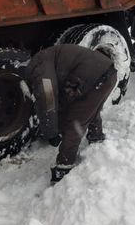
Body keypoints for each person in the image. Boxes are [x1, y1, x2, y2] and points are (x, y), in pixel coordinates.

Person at [25, 44, 117, 183]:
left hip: (96, 76)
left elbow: (48, 102)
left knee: (75, 121)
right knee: (90, 107)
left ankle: (64, 166)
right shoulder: (44, 60)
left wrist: (51, 133)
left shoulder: (40, 72)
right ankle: (96, 135)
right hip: (107, 72)